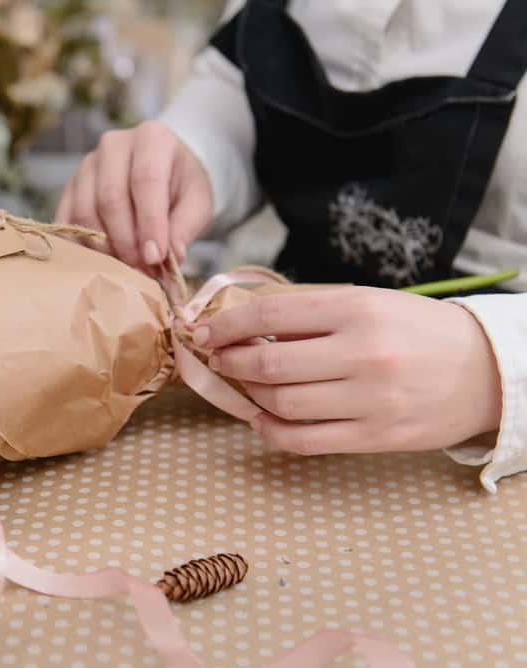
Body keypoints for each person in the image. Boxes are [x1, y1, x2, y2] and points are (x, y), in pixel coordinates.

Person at [54, 0, 527, 491]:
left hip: (472, 471)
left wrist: (497, 368)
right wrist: (185, 156)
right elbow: (234, 91)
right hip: (270, 427)